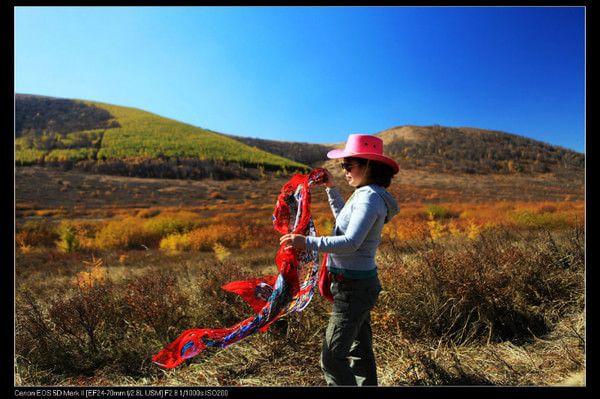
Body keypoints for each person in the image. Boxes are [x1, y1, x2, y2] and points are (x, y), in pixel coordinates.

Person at [280, 134, 400, 386]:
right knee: (360, 350)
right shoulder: (366, 194)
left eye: (348, 165)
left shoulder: (369, 198)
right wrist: (331, 188)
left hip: (353, 288)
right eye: (342, 165)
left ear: (368, 165)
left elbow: (349, 243)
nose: (344, 170)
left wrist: (305, 242)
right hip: (356, 284)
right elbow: (343, 222)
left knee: (332, 359)